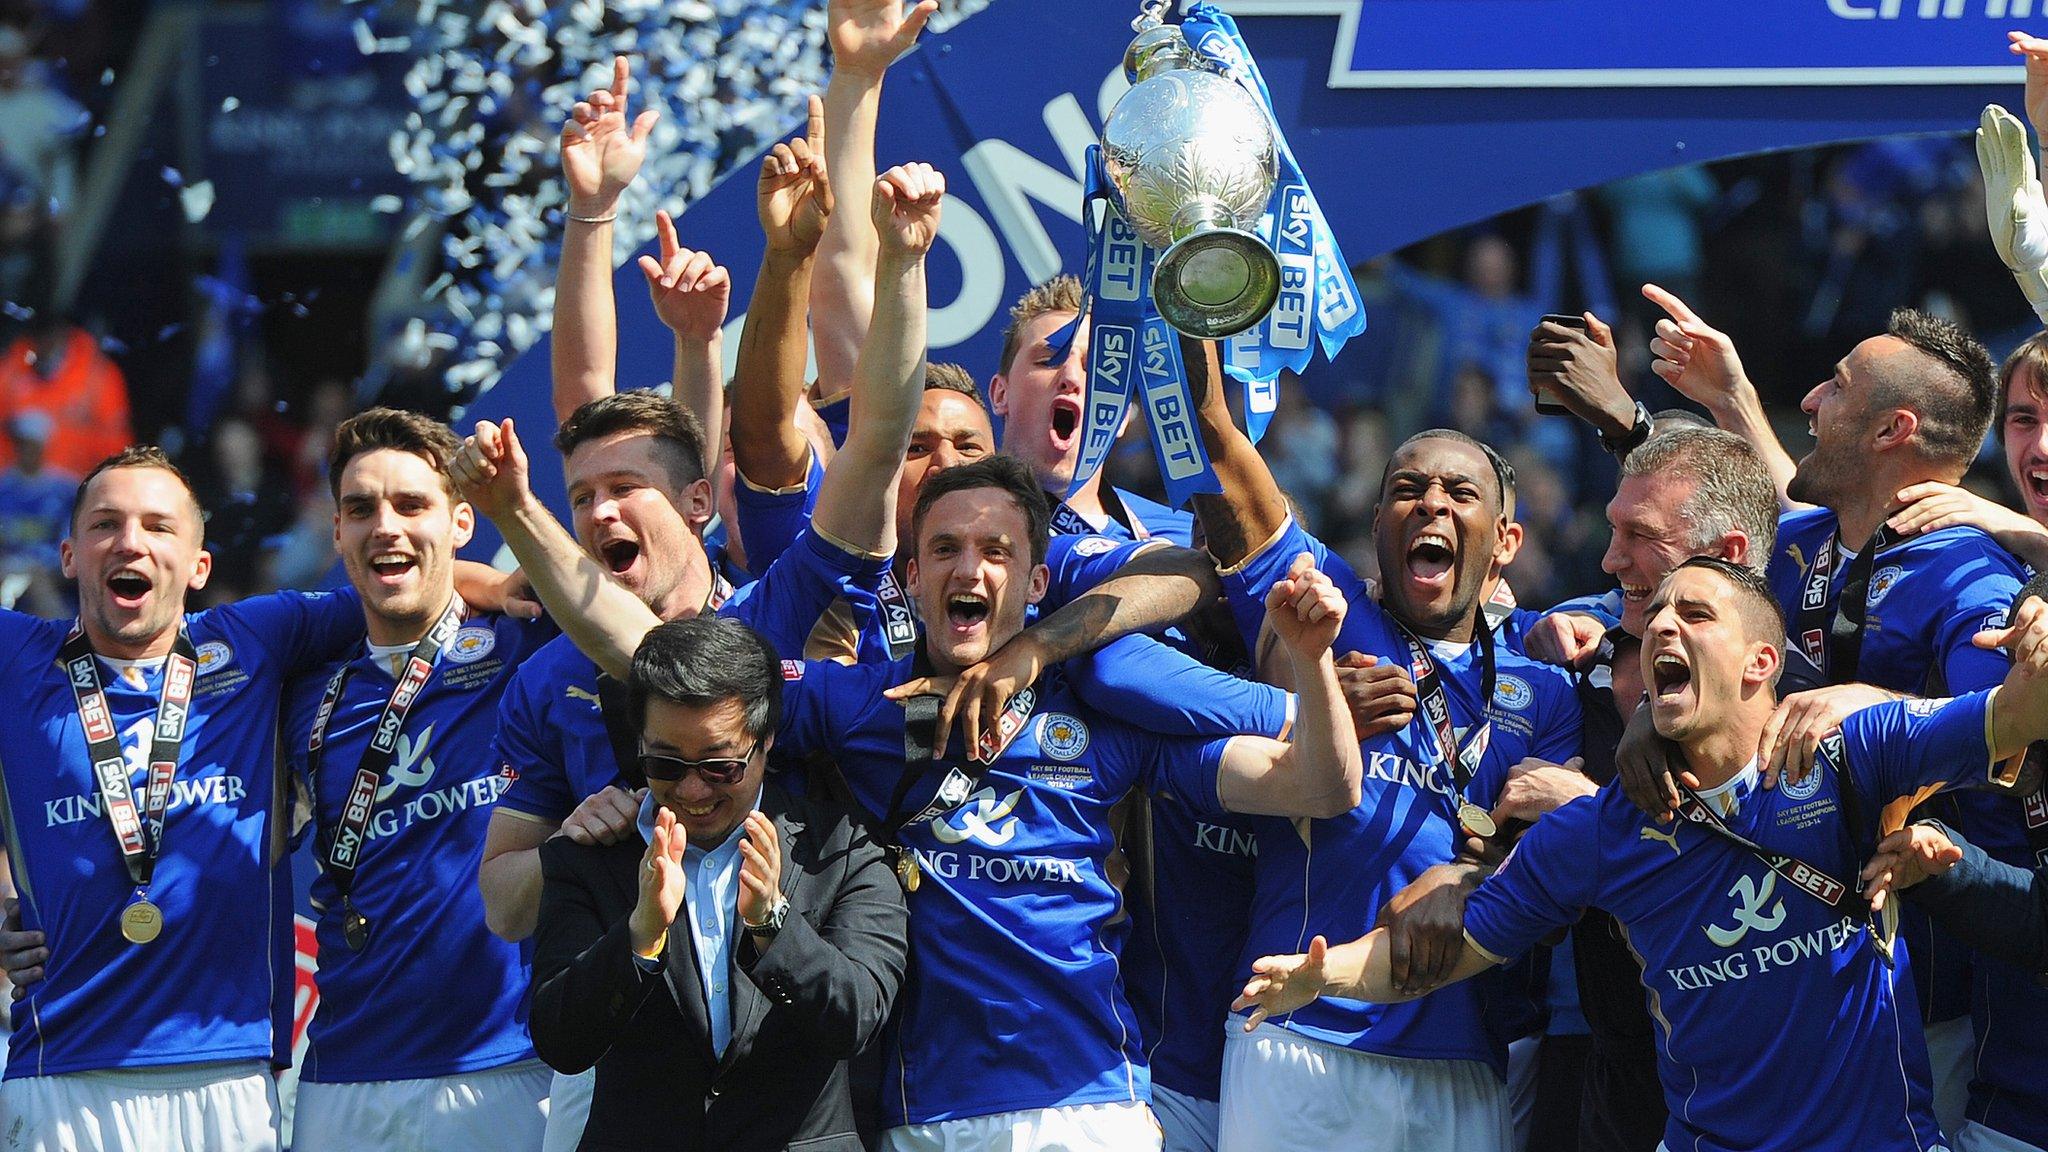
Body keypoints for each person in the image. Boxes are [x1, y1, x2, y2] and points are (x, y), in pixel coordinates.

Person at [457, 422, 1364, 1152]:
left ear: (1040, 579)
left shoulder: (1107, 699)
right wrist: (519, 517)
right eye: (945, 550)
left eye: (998, 552)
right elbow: (660, 661)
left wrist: (1316, 666)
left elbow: (1319, 787)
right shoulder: (855, 703)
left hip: (1088, 1110)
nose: (971, 571)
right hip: (917, 1111)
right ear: (911, 574)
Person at [1236, 557, 2048, 1152]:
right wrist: (1323, 975)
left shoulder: (1849, 754)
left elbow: (2017, 714)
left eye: (1694, 615)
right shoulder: (1604, 831)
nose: (1661, 623)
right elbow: (1447, 951)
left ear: (1762, 662)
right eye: (1654, 614)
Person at [478, 155, 934, 1149]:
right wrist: (577, 845)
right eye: (579, 497)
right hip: (624, 1086)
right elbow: (507, 909)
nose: (598, 509)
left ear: (695, 501)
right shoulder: (544, 679)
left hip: (792, 1088)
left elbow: (878, 445)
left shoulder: (772, 611)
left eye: (623, 488)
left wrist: (903, 263)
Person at [0, 445, 524, 1152]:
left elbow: (399, 583)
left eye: (158, 526)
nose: (129, 542)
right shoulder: (16, 659)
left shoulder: (254, 639)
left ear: (199, 565)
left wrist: (487, 581)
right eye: (104, 525)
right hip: (59, 1070)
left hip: (232, 1074)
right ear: (68, 554)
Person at [1640, 288, 2025, 1140]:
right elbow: (1795, 506)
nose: (1811, 399)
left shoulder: (1969, 577)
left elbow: (2016, 730)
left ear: (1893, 431)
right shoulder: (1820, 539)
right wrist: (1728, 396)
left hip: (1907, 986)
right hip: (1782, 961)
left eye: (1838, 386)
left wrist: (1878, 702)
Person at [1179, 337, 1581, 1152]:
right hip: (1299, 1029)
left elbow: (1561, 856)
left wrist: (1472, 872)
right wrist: (1195, 297)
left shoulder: (1546, 692)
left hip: (1467, 1056)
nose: (1431, 503)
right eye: (1409, 489)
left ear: (1503, 542)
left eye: (1458, 492)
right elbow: (1217, 440)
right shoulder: (1324, 612)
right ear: (1377, 524)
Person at [280, 410, 555, 1150]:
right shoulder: (302, 689)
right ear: (336, 532)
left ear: (462, 521)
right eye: (361, 509)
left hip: (508, 1065)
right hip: (339, 1076)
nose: (386, 526)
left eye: (412, 505)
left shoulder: (531, 641)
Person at [529, 615, 906, 1151]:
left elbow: (856, 1020)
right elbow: (560, 1040)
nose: (691, 788)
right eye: (665, 763)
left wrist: (774, 927)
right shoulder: (590, 858)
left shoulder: (839, 850)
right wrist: (639, 935)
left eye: (720, 766)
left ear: (766, 740)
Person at [988, 274, 1194, 544]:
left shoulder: (1186, 538)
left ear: (1121, 416)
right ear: (1000, 394)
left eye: (1097, 367)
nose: (1071, 378)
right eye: (1049, 360)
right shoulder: (963, 523)